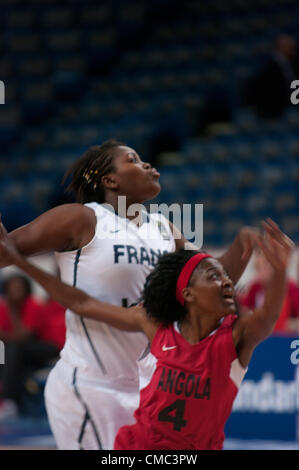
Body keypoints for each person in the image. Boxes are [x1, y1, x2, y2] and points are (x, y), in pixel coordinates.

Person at [3, 139, 256, 449]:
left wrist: (244, 248)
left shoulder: (163, 229)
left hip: (147, 390)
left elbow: (211, 281)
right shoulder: (82, 218)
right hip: (91, 385)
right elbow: (7, 250)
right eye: (133, 160)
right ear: (110, 180)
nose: (148, 165)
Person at [0, 219, 293, 449]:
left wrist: (280, 270)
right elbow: (82, 303)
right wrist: (22, 262)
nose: (228, 283)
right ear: (188, 293)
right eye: (215, 276)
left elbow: (267, 316)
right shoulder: (156, 325)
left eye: (227, 277)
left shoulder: (234, 337)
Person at [0, 274, 60, 419]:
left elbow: (24, 336)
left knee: (12, 348)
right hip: (20, 352)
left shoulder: (33, 305)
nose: (16, 290)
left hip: (47, 347)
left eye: (19, 287)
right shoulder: (3, 307)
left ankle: (9, 402)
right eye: (13, 287)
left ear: (26, 288)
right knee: (7, 351)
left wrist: (13, 311)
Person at [239, 249, 299, 333]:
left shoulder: (291, 288)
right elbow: (244, 312)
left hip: (285, 338)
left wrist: (286, 324)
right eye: (258, 268)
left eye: (267, 267)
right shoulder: (255, 287)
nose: (263, 272)